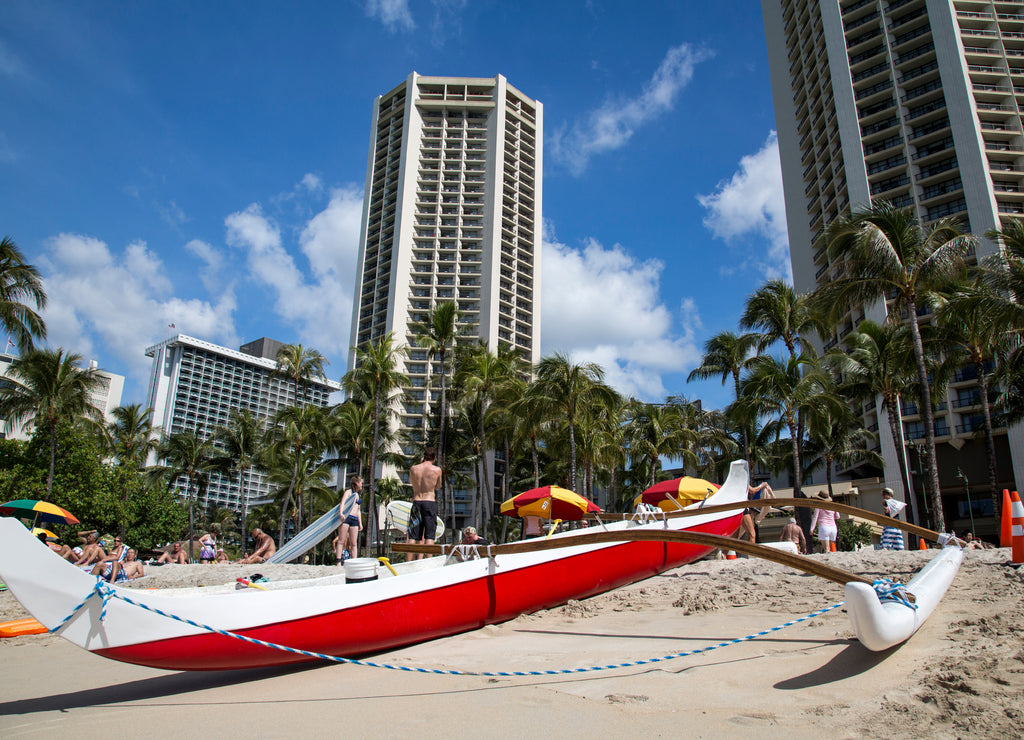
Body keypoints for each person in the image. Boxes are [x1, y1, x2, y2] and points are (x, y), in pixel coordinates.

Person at [408, 447, 442, 560]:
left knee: (412, 535)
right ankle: (428, 562)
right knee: (429, 535)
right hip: (429, 502)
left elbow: (411, 482)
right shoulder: (437, 470)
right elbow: (438, 486)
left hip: (417, 501)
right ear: (434, 457)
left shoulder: (414, 468)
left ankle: (408, 562)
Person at [335, 475, 363, 562]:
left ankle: (354, 561)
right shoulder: (348, 492)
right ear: (357, 483)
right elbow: (342, 503)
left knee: (354, 543)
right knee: (341, 540)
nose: (362, 485)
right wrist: (341, 513)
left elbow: (358, 510)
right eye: (361, 483)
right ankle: (338, 561)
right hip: (346, 518)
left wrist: (360, 522)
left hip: (354, 519)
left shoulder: (358, 496)